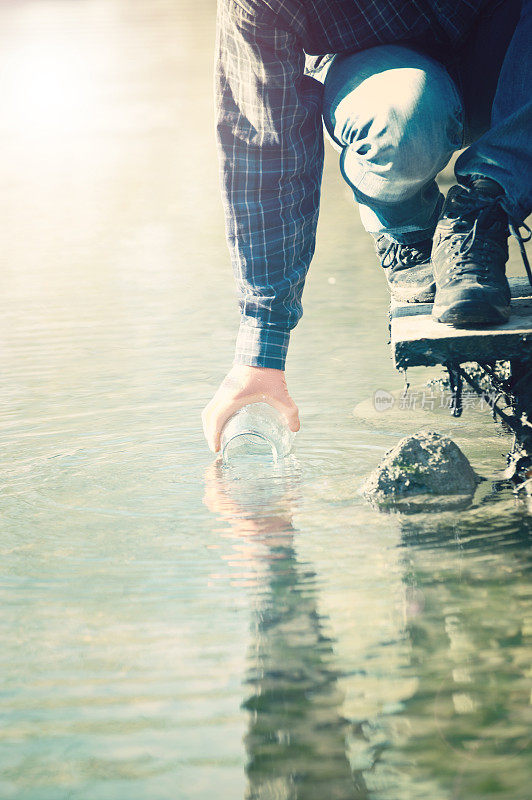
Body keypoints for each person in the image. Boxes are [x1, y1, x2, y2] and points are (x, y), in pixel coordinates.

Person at [202, 0, 531, 453]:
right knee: (397, 126)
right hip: (389, 73)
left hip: (515, 53)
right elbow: (264, 142)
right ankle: (410, 232)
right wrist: (261, 349)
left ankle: (482, 211)